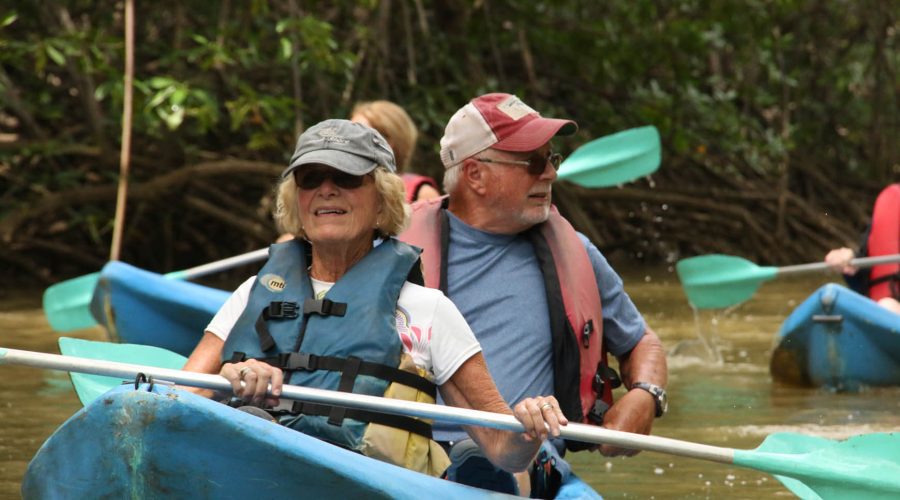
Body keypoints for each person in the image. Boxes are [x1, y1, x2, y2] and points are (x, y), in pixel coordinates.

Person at [182, 119, 567, 479]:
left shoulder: (427, 311)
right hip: (257, 472)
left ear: (382, 201)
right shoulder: (252, 292)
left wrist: (527, 428)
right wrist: (222, 380)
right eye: (311, 178)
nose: (326, 189)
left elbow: (504, 451)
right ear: (297, 199)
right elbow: (174, 399)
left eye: (347, 177)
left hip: (367, 480)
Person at [399, 93, 669, 497]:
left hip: (533, 466)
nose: (550, 175)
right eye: (534, 162)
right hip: (412, 465)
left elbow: (642, 342)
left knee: (502, 470)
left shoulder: (574, 252)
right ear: (475, 175)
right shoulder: (391, 250)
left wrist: (647, 395)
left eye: (552, 160)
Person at [825, 183, 900, 314]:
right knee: (886, 305)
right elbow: (862, 284)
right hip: (887, 309)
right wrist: (851, 263)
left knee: (887, 306)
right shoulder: (893, 204)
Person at [350, 100, 441, 202]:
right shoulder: (338, 186)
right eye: (348, 133)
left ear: (389, 143)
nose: (348, 141)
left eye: (359, 135)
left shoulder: (422, 194)